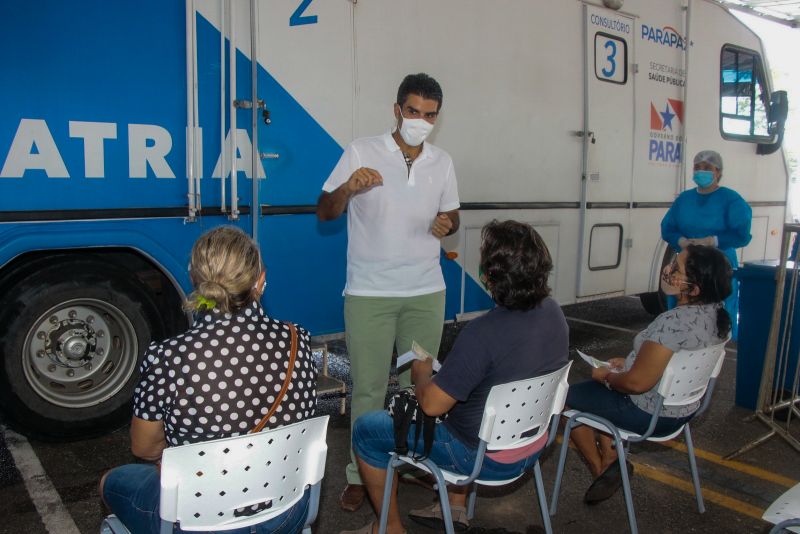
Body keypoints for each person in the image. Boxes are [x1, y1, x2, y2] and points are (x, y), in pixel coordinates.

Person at [341, 220, 569, 534]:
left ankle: (390, 528)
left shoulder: (482, 333)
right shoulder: (554, 313)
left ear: (490, 277)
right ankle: (456, 508)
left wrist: (421, 375)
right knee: (468, 405)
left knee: (366, 431)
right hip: (531, 449)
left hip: (478, 458)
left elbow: (432, 405)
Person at [99, 226, 318, 534]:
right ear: (261, 279)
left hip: (197, 521)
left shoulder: (168, 357)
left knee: (111, 482)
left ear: (194, 281)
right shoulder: (298, 339)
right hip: (286, 513)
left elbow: (145, 448)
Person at [316, 73, 460, 511]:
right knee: (369, 390)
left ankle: (409, 462)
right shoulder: (362, 150)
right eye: (413, 111)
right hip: (369, 294)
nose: (421, 121)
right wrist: (348, 187)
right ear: (397, 110)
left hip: (425, 293)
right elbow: (325, 211)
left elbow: (452, 216)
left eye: (429, 115)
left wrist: (446, 225)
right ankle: (363, 474)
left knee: (419, 385)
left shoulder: (442, 161)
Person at [566, 245, 732, 504]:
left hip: (648, 412)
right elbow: (674, 360)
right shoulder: (718, 316)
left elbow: (636, 384)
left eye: (676, 268)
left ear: (695, 288)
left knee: (565, 399)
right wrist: (631, 361)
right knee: (599, 397)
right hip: (684, 410)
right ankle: (610, 459)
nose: (669, 270)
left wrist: (606, 377)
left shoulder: (674, 322)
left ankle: (604, 469)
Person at [661, 149, 751, 340]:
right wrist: (681, 241)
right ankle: (677, 340)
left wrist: (713, 241)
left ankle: (717, 345)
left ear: (718, 172)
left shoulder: (731, 199)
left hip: (718, 265)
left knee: (717, 311)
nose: (701, 171)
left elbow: (741, 234)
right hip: (687, 264)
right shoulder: (684, 199)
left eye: (707, 167)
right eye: (697, 167)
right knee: (682, 303)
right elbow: (667, 227)